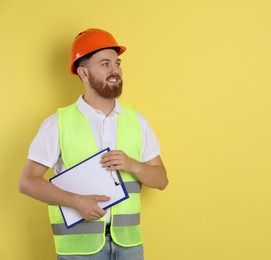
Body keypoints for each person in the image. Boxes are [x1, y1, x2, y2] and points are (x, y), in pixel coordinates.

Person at [19, 28, 168, 259]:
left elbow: (161, 180)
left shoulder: (136, 120)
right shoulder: (58, 123)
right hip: (79, 249)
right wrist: (76, 201)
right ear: (84, 73)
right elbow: (28, 182)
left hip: (129, 246)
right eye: (105, 64)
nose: (115, 70)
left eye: (117, 63)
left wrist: (131, 165)